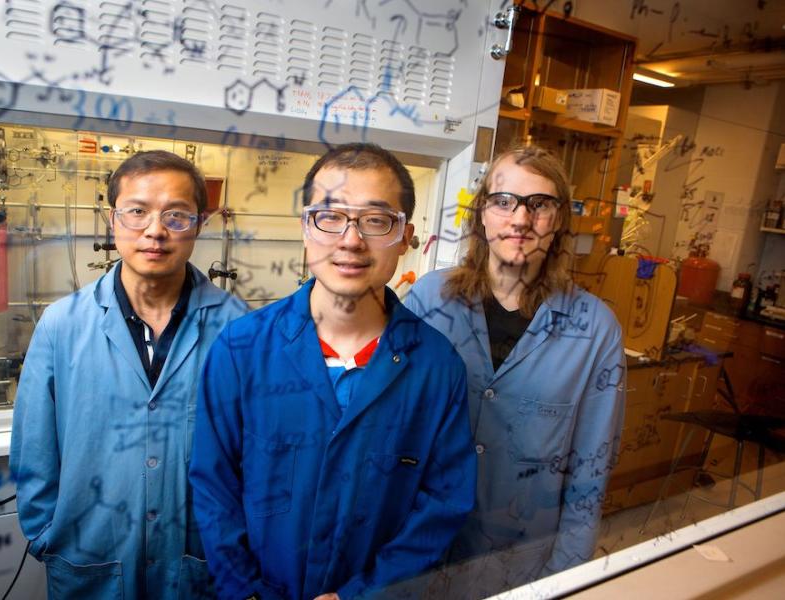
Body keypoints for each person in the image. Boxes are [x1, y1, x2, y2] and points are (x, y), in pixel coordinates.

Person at [189, 143, 476, 600]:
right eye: (331, 217)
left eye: (376, 220)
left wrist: (364, 594)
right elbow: (213, 486)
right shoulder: (241, 349)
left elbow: (442, 505)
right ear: (306, 228)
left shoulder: (437, 367)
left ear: (406, 237)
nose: (351, 239)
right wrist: (246, 592)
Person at [10, 150, 247, 599]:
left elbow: (254, 456)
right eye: (137, 212)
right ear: (111, 218)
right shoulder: (62, 324)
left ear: (200, 223)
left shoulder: (238, 328)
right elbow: (33, 450)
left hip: (198, 564)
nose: (155, 231)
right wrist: (46, 536)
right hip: (89, 559)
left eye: (177, 216)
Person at [405, 144, 626, 596]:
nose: (520, 220)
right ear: (482, 214)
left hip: (516, 567)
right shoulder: (429, 301)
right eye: (504, 202)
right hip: (415, 552)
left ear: (559, 219)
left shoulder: (596, 330)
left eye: (539, 204)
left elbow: (590, 473)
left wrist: (565, 578)